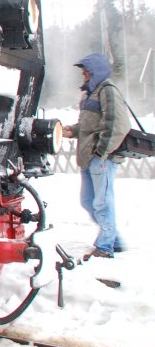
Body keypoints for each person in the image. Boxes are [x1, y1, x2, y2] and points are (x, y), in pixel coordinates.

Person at [62, 53, 130, 259]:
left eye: (87, 71)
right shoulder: (90, 94)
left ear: (96, 71)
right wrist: (72, 131)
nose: (83, 74)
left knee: (102, 202)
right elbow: (87, 125)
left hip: (101, 158)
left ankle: (105, 246)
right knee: (88, 201)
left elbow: (117, 124)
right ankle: (113, 239)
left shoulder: (107, 91)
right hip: (88, 158)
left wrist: (101, 152)